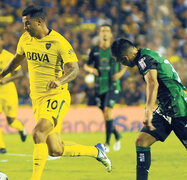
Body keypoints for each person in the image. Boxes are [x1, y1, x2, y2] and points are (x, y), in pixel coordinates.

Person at [0, 6, 111, 180]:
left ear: (39, 22)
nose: (24, 28)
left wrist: (60, 80)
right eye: (23, 24)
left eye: (27, 24)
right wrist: (1, 75)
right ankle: (96, 151)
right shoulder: (25, 39)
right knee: (55, 149)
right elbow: (16, 60)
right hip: (36, 99)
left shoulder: (59, 42)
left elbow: (74, 69)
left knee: (38, 133)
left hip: (56, 96)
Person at [111, 38, 187, 180]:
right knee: (141, 141)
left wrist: (148, 112)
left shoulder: (145, 59)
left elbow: (152, 83)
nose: (121, 64)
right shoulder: (145, 55)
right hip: (165, 109)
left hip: (180, 110)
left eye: (120, 61)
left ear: (125, 58)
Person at [84, 24, 127, 152]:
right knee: (106, 115)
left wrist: (119, 74)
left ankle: (107, 143)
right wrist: (91, 70)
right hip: (99, 86)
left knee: (108, 111)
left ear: (110, 35)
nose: (104, 33)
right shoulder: (95, 50)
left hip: (113, 85)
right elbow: (86, 66)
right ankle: (117, 135)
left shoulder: (116, 49)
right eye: (102, 31)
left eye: (107, 31)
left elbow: (126, 64)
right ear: (99, 34)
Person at [0, 35, 26, 154]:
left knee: (11, 121)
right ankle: (2, 147)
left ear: (2, 41)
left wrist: (6, 80)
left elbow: (20, 74)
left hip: (8, 93)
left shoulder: (9, 56)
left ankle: (21, 128)